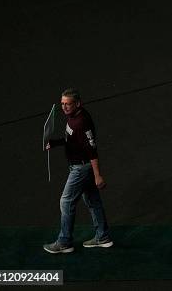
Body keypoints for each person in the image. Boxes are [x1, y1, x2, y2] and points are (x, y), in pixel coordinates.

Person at [44, 88, 112, 254]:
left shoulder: (81, 121)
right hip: (80, 166)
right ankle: (103, 237)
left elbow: (92, 149)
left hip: (81, 168)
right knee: (93, 201)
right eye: (62, 104)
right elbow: (72, 140)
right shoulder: (73, 117)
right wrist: (55, 143)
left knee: (66, 202)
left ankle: (64, 241)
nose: (64, 107)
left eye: (68, 104)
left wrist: (97, 175)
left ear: (77, 104)